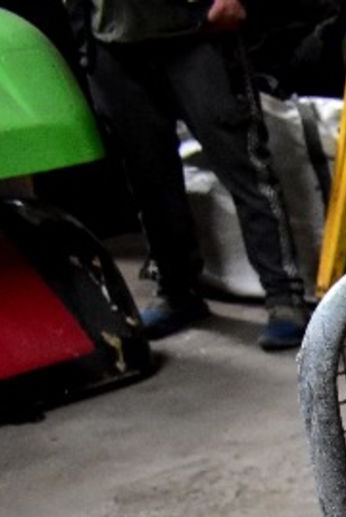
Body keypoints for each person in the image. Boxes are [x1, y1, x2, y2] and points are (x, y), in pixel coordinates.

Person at [78, 0, 309, 350]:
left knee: (245, 169)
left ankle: (284, 298)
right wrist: (85, 40)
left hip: (198, 33)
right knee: (148, 180)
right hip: (113, 43)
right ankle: (176, 292)